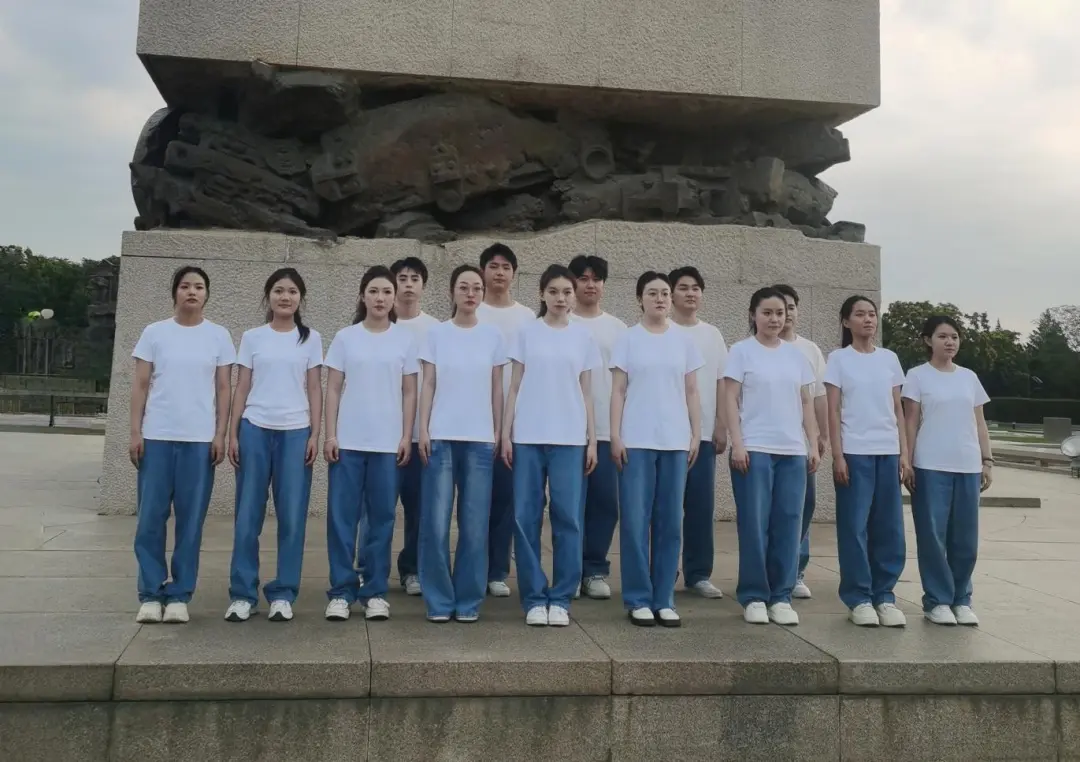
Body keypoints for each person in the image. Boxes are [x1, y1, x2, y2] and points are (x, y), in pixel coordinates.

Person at [129, 266, 235, 624]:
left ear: (207, 294)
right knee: (150, 518)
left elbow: (224, 388)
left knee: (190, 521)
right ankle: (150, 592)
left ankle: (179, 594)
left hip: (199, 440)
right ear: (174, 292)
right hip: (157, 436)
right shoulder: (154, 332)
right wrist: (135, 432)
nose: (192, 292)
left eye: (199, 287)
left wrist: (220, 434)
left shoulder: (218, 335)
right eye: (185, 286)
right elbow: (140, 384)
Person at [503, 264, 601, 626]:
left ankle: (561, 597)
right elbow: (514, 386)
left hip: (570, 438)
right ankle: (533, 597)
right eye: (554, 291)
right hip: (528, 437)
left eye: (567, 292)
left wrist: (592, 440)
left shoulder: (583, 337)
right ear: (542, 294)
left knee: (568, 518)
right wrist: (505, 434)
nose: (561, 298)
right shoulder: (526, 333)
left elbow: (587, 392)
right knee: (525, 517)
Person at [225, 268, 323, 623]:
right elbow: (241, 386)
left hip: (296, 432)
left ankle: (283, 593)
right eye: (279, 290)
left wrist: (315, 434)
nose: (285, 297)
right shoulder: (253, 337)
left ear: (301, 298)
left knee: (292, 517)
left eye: (292, 291)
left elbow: (315, 388)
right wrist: (232, 433)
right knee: (248, 515)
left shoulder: (310, 339)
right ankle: (243, 594)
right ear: (268, 296)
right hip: (254, 429)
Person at [323, 266, 418, 623]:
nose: (380, 298)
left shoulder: (405, 339)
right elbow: (333, 388)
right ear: (362, 296)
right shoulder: (346, 337)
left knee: (381, 519)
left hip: (387, 444)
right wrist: (330, 434)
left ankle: (375, 591)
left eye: (386, 292)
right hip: (348, 442)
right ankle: (341, 591)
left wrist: (406, 435)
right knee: (342, 519)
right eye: (374, 291)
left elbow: (410, 392)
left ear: (394, 298)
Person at [610, 271, 703, 627]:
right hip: (636, 439)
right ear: (640, 299)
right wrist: (615, 435)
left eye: (665, 293)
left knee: (670, 521)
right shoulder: (628, 339)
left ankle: (664, 597)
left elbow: (691, 391)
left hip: (675, 441)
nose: (661, 298)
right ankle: (638, 598)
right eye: (653, 293)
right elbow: (618, 390)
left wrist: (696, 434)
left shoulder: (684, 341)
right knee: (636, 521)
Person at [725, 287, 820, 626]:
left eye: (780, 313)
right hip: (754, 449)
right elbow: (729, 399)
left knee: (789, 523)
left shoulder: (797, 356)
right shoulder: (741, 352)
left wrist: (812, 443)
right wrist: (737, 443)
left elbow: (806, 402)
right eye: (767, 312)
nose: (774, 319)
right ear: (753, 315)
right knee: (754, 524)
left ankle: (781, 595)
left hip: (792, 451)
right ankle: (754, 595)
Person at [418, 264, 507, 623]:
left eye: (476, 288)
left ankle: (469, 599)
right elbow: (428, 384)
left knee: (474, 525)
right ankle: (439, 601)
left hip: (480, 440)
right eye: (463, 287)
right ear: (452, 292)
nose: (471, 294)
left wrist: (499, 431)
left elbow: (497, 388)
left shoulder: (493, 336)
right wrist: (423, 428)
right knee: (436, 523)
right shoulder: (436, 334)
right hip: (440, 437)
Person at [902, 315, 992, 627]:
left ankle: (961, 599)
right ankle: (937, 600)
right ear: (928, 340)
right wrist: (907, 460)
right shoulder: (917, 376)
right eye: (942, 336)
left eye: (954, 336)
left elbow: (979, 422)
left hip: (967, 465)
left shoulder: (969, 377)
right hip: (930, 465)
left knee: (965, 538)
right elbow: (910, 421)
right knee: (932, 536)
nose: (950, 342)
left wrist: (987, 460)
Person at [824, 295, 908, 628]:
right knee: (854, 527)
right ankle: (858, 597)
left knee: (889, 527)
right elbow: (833, 410)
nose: (868, 319)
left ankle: (884, 596)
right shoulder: (838, 359)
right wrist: (838, 455)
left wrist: (904, 453)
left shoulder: (889, 359)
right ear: (846, 321)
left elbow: (898, 409)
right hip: (855, 452)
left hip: (888, 451)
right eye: (860, 314)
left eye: (872, 314)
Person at [476, 243, 536, 598]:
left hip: (515, 420)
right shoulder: (472, 311)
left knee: (505, 498)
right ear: (483, 271)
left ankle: (497, 569)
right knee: (473, 501)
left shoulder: (527, 318)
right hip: (473, 419)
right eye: (493, 266)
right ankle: (472, 567)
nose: (499, 272)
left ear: (514, 273)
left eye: (505, 267)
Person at [569, 255, 627, 600]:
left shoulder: (618, 329)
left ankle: (594, 569)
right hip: (567, 430)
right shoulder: (561, 324)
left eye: (596, 279)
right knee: (569, 505)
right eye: (583, 278)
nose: (590, 284)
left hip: (607, 429)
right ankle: (570, 570)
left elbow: (626, 382)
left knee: (605, 503)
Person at [669, 266, 728, 599]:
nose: (690, 293)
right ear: (671, 294)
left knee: (700, 506)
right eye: (683, 287)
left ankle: (698, 573)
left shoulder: (712, 335)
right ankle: (664, 569)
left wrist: (720, 424)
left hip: (703, 434)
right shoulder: (661, 331)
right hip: (665, 436)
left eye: (695, 288)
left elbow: (721, 382)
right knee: (665, 507)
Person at [388, 256, 440, 597]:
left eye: (415, 279)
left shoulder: (435, 329)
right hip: (382, 433)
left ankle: (413, 569)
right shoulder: (379, 323)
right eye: (402, 278)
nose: (408, 284)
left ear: (423, 286)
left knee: (419, 508)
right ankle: (368, 567)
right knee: (376, 508)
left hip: (422, 433)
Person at [773, 284, 828, 599]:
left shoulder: (810, 350)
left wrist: (820, 436)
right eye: (780, 308)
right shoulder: (756, 348)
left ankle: (796, 570)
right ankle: (773, 569)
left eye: (791, 307)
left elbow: (818, 397)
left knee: (803, 505)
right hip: (771, 442)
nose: (786, 314)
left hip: (802, 442)